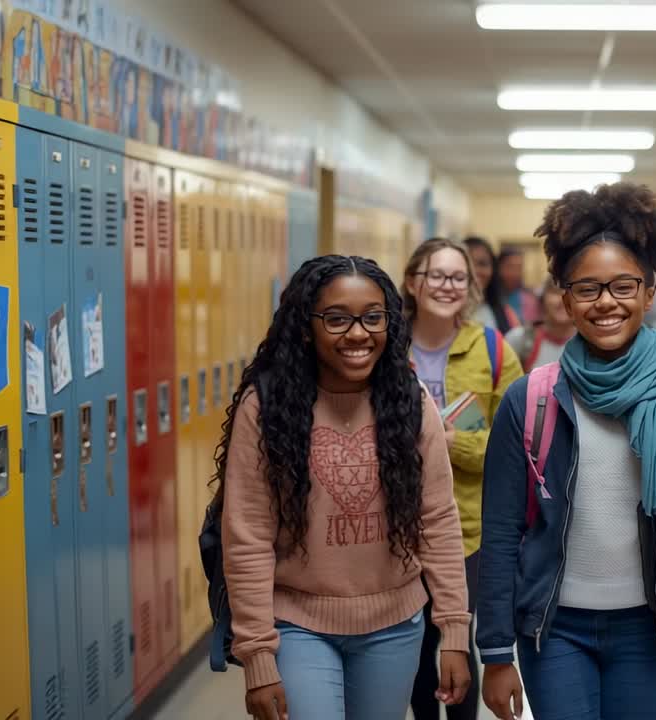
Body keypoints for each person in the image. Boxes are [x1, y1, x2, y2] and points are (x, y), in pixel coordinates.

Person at [477, 182, 656, 720]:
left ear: (649, 290)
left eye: (623, 285)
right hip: (555, 631)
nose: (606, 302)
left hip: (648, 629)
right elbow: (501, 531)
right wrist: (496, 651)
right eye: (588, 288)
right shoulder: (532, 399)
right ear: (566, 298)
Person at [217, 255, 471, 720]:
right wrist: (257, 655)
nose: (358, 333)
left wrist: (453, 630)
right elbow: (248, 535)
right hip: (297, 623)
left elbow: (437, 519)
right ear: (306, 325)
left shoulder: (409, 403)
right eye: (337, 319)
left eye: (373, 317)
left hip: (395, 624)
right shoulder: (268, 406)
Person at [402, 238, 524, 720]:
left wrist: (454, 445)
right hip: (394, 523)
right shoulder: (383, 345)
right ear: (413, 282)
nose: (447, 286)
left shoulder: (491, 349)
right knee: (415, 639)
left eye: (457, 277)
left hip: (466, 525)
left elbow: (519, 442)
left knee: (458, 635)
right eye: (436, 275)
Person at [506, 280, 575, 370]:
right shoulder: (519, 338)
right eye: (556, 292)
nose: (562, 300)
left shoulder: (590, 343)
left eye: (571, 294)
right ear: (543, 297)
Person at [497, 246, 540, 328]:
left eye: (519, 267)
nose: (515, 272)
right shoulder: (492, 297)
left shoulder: (530, 298)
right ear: (499, 268)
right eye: (510, 266)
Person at [462, 236, 500, 330]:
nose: (474, 270)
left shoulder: (505, 314)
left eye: (482, 264)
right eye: (467, 263)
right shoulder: (443, 313)